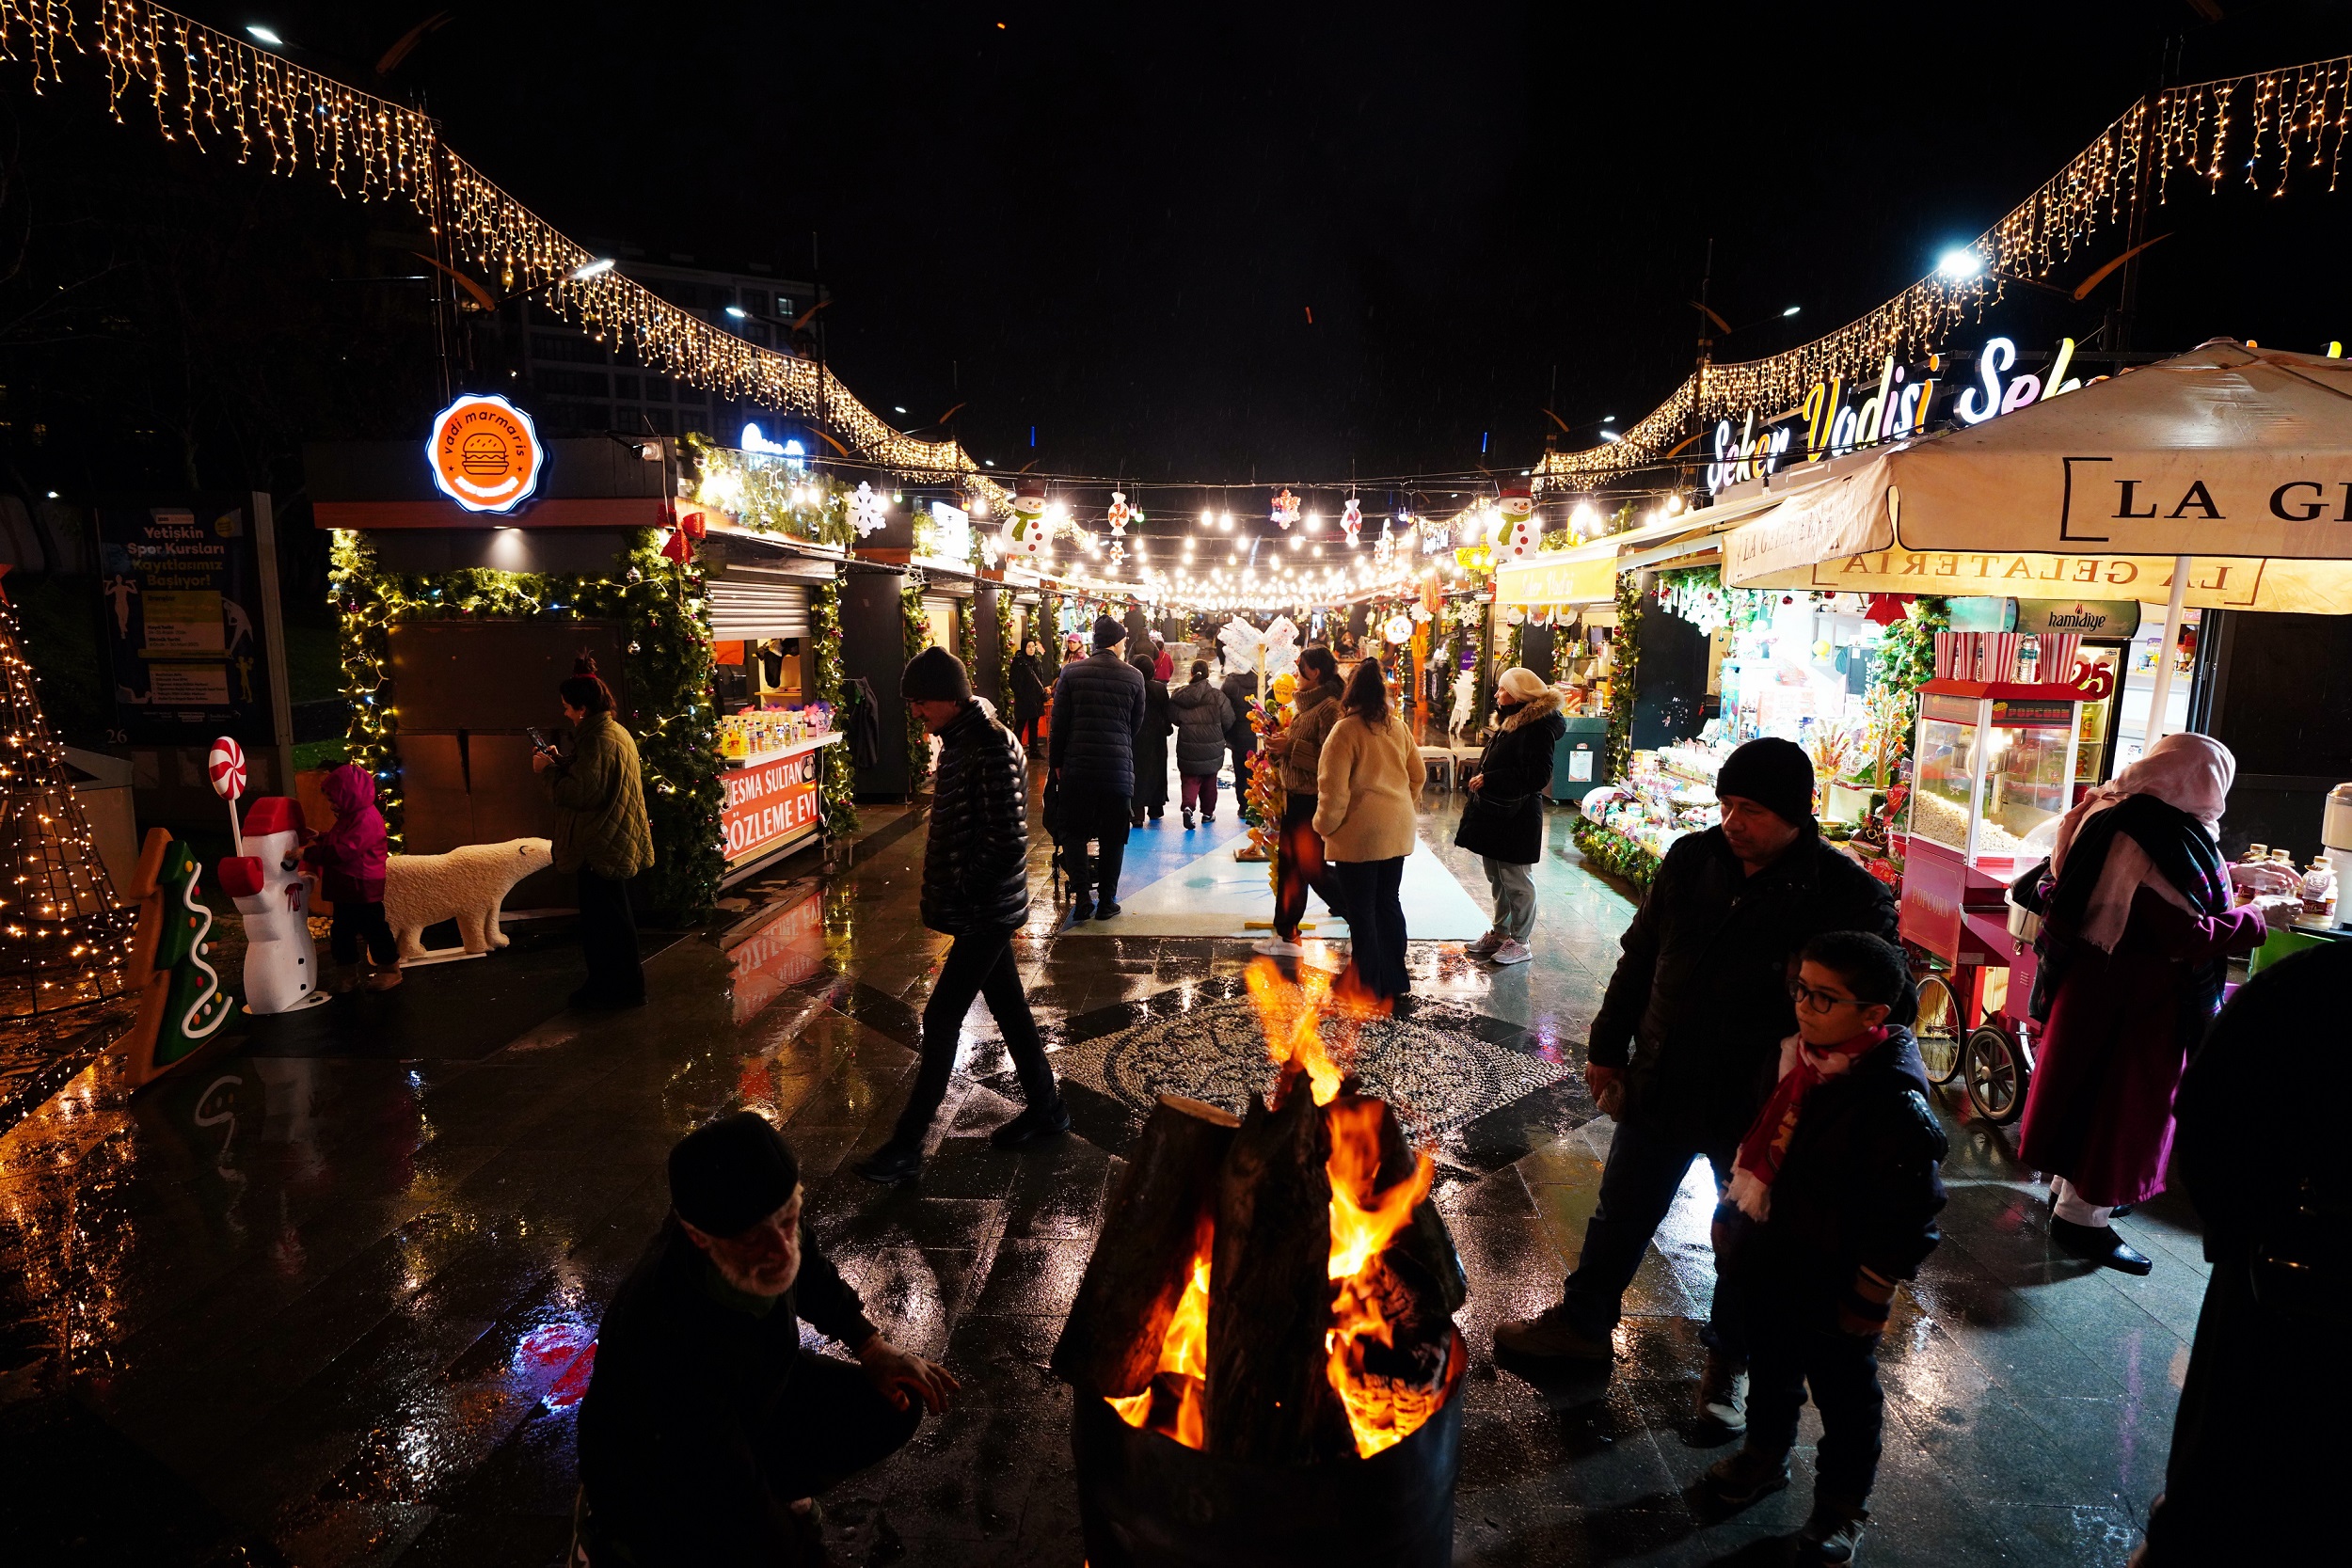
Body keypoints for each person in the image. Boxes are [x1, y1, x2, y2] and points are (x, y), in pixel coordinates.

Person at [1494, 736, 1897, 1438]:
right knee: (1621, 1207)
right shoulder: (1693, 857)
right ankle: (1584, 1322)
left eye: (1752, 810)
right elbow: (1641, 952)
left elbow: (1889, 1001)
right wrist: (1608, 1043)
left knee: (1744, 1239)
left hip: (1760, 1103)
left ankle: (1728, 1366)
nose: (1733, 821)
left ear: (1797, 813)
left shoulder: (1846, 893)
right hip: (1665, 1075)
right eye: (1727, 804)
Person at [577, 1113, 957, 1565]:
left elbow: (809, 1266)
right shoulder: (669, 1336)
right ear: (699, 1237)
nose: (780, 1250)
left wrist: (872, 1346)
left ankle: (777, 1485)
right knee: (727, 1530)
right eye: (754, 1239)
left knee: (894, 1400)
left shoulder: (762, 1215)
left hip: (749, 1400)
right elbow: (734, 1493)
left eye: (789, 1219)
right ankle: (609, 1541)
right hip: (659, 1470)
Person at [1698, 932, 1946, 1563]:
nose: (1805, 1006)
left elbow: (1911, 1211)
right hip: (1772, 1254)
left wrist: (1869, 1291)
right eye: (1801, 989)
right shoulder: (1791, 1060)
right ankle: (1765, 1454)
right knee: (1773, 1365)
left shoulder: (1892, 1100)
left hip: (1837, 1274)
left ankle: (1841, 1506)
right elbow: (1756, 1145)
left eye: (1824, 997)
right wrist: (1734, 1216)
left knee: (1845, 1396)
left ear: (1873, 1014)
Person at [2014, 733, 2277, 1275]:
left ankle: (2070, 1191)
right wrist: (2259, 915)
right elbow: (2185, 934)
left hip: (2091, 978)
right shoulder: (2158, 831)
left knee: (2083, 1091)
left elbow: (2150, 885)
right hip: (2140, 998)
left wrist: (2237, 876)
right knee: (2124, 1107)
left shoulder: (2109, 806)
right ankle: (2083, 1220)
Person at [2133, 940, 2342, 1564]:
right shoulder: (2318, 984)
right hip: (2280, 1274)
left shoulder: (2314, 982)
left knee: (2237, 1452)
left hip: (2281, 1271)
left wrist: (2241, 1229)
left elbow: (2207, 1110)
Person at [857, 649, 1068, 1183]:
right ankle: (1048, 1110)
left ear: (949, 698)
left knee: (941, 1017)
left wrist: (962, 887)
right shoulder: (962, 740)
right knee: (1012, 1012)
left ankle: (907, 1146)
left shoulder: (989, 746)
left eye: (920, 702)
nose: (916, 713)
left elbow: (1005, 841)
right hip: (982, 908)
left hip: (985, 911)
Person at [533, 658, 653, 1010]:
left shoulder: (599, 739)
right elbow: (596, 779)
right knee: (613, 918)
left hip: (599, 845)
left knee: (605, 923)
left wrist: (546, 772)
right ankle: (620, 987)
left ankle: (613, 989)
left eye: (568, 708)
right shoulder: (610, 732)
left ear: (583, 708)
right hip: (609, 840)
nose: (566, 714)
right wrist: (564, 763)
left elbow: (583, 794)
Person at [1312, 659, 1423, 1001]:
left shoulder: (1345, 731)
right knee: (1388, 902)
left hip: (1358, 835)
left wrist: (1323, 826)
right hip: (1396, 829)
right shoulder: (1398, 727)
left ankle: (1365, 982)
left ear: (1351, 693)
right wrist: (1398, 805)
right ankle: (1394, 977)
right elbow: (1417, 775)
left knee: (1361, 910)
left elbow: (1334, 791)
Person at [1456, 666, 1567, 967]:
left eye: (1502, 689)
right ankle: (1501, 930)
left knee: (1516, 879)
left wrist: (1492, 778)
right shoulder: (1510, 721)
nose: (1497, 694)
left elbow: (1537, 775)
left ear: (1517, 695)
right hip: (1497, 812)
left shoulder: (1537, 728)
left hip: (1517, 817)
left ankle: (1520, 940)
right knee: (1496, 875)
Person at [1048, 616, 1146, 921]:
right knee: (1113, 836)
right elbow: (1135, 724)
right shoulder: (1134, 676)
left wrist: (1056, 764)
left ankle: (1082, 899)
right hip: (1117, 772)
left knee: (1074, 832)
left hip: (1077, 770)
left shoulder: (1071, 673)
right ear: (1117, 643)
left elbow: (1058, 724)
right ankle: (1106, 901)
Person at [1254, 645, 1349, 957]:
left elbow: (1330, 759)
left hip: (1312, 801)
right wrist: (1279, 750)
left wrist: (1290, 747)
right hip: (1294, 799)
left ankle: (1362, 916)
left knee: (1313, 868)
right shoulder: (1305, 706)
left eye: (1300, 667)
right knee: (1292, 866)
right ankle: (1286, 933)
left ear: (1315, 673)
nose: (1296, 673)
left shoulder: (1329, 708)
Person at [303, 761, 398, 993]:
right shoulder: (351, 815)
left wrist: (308, 852)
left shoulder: (365, 819)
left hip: (362, 885)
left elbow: (344, 850)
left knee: (374, 929)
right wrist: (321, 836)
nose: (331, 805)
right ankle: (348, 974)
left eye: (334, 799)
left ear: (350, 795)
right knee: (342, 931)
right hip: (347, 884)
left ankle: (390, 970)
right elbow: (339, 841)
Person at [1169, 659, 1233, 831]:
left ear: (1191, 673)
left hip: (1188, 745)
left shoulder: (1181, 696)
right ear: (1207, 675)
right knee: (1210, 780)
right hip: (1212, 746)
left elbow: (1173, 717)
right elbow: (1229, 719)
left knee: (1190, 779)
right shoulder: (1217, 696)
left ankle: (1188, 807)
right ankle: (1207, 813)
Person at [1129, 648, 1173, 828]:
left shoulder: (1132, 688)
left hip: (1136, 737)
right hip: (1157, 737)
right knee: (1156, 772)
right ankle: (1155, 808)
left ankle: (1137, 814)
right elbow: (1167, 712)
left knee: (1137, 774)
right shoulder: (1160, 689)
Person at [1220, 663, 1260, 813]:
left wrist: (1226, 732)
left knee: (1240, 771)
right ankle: (1256, 805)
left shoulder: (1230, 682)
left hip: (1237, 734)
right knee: (1257, 771)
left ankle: (1243, 806)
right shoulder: (1265, 679)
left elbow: (1223, 708)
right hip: (1258, 735)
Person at [1009, 635, 1050, 758]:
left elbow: (1039, 679)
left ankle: (1034, 750)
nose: (1031, 649)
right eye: (1029, 647)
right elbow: (1013, 681)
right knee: (1020, 724)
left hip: (1035, 700)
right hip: (1024, 700)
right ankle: (1015, 750)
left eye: (1033, 646)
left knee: (1034, 725)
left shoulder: (1036, 661)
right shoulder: (1018, 662)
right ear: (1024, 648)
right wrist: (1021, 694)